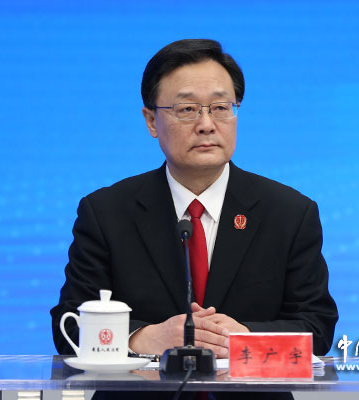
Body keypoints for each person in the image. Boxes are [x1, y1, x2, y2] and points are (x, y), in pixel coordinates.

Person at [50, 39, 338, 399]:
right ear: (151, 120)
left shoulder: (289, 213)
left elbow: (317, 329)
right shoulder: (106, 212)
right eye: (187, 109)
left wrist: (244, 339)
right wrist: (144, 337)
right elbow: (68, 326)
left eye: (220, 107)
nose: (206, 124)